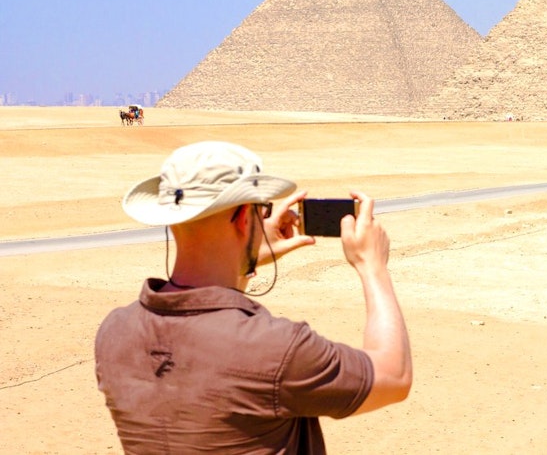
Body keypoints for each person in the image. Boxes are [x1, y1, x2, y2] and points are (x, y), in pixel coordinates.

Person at [95, 141, 411, 453]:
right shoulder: (275, 348)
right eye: (263, 211)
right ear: (245, 216)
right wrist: (372, 266)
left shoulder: (115, 332)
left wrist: (243, 253)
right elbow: (393, 375)